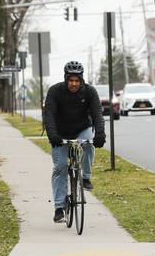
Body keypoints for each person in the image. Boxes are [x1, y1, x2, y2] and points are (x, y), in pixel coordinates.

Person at [43, 61, 106, 223]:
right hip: (59, 132)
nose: (74, 84)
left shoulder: (90, 92)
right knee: (60, 167)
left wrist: (100, 133)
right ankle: (59, 208)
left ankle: (85, 177)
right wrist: (52, 135)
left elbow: (97, 114)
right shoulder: (55, 91)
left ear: (81, 80)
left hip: (81, 128)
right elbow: (48, 115)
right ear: (66, 79)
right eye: (71, 80)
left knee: (89, 142)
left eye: (77, 80)